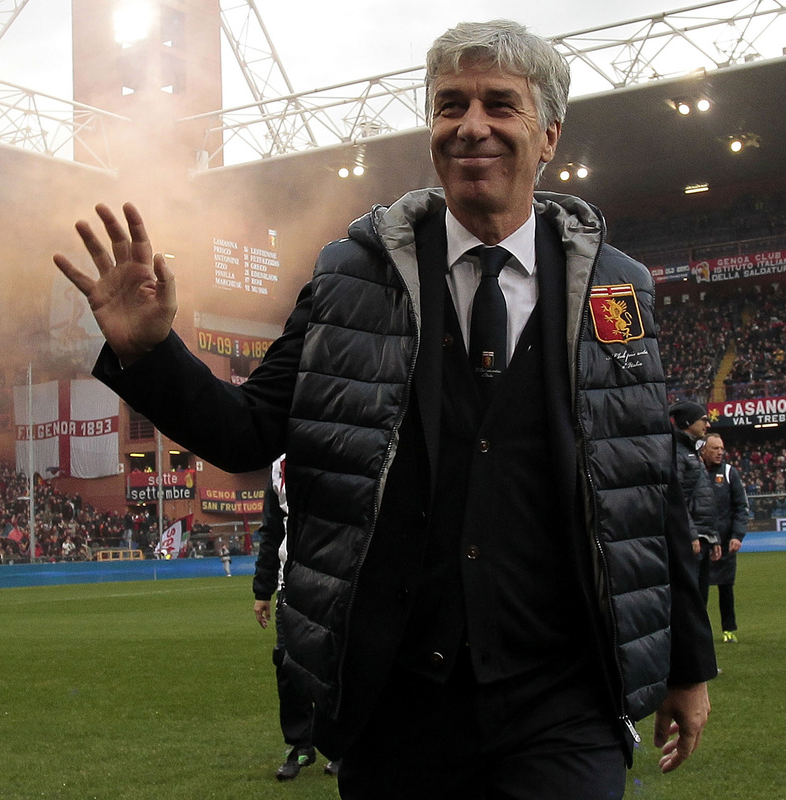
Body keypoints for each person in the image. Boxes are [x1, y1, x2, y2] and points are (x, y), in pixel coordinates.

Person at [54, 19, 716, 799]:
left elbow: (644, 482)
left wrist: (687, 665)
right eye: (449, 106)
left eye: (500, 105)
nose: (471, 126)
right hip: (397, 700)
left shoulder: (615, 287)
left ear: (549, 136)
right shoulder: (353, 277)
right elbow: (245, 433)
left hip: (562, 696)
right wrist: (150, 352)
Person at [253, 455, 340, 779]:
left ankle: (337, 745)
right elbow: (271, 530)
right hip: (289, 583)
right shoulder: (278, 466)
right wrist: (263, 590)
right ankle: (299, 745)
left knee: (333, 665)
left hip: (334, 579)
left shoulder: (334, 453)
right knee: (288, 667)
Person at [699, 432, 749, 643]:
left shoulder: (730, 473)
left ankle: (729, 630)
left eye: (722, 448)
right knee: (699, 591)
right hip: (702, 542)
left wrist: (737, 535)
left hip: (726, 542)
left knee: (725, 588)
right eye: (715, 448)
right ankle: (699, 633)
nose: (720, 452)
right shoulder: (695, 472)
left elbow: (741, 507)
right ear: (704, 450)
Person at [669, 400, 721, 594]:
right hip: (693, 539)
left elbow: (702, 498)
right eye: (703, 420)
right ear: (689, 422)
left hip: (702, 537)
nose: (708, 425)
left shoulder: (691, 452)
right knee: (692, 599)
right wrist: (691, 534)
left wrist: (713, 536)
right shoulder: (680, 454)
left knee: (701, 599)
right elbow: (677, 499)